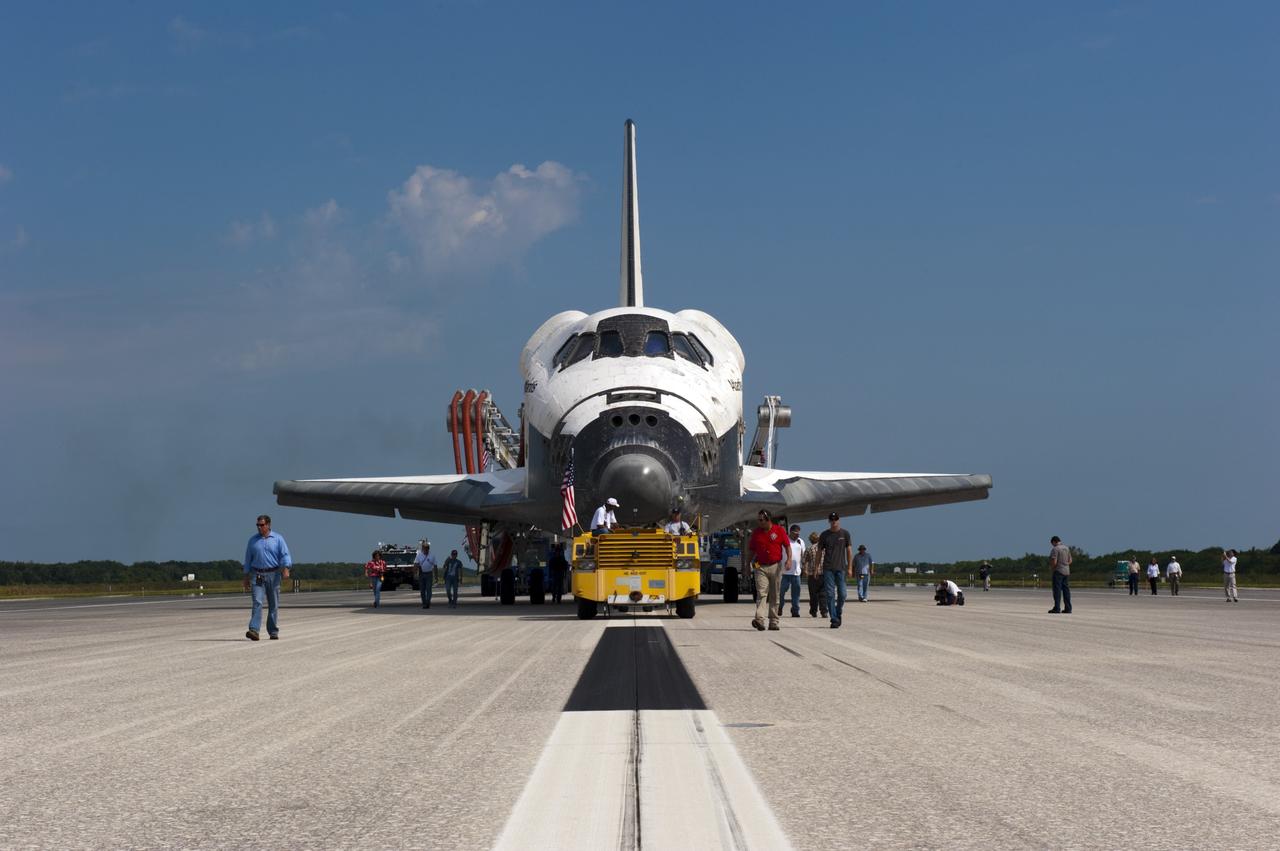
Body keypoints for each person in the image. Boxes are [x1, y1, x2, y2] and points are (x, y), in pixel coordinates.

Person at [242, 514, 291, 641]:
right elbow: (248, 559)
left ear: (268, 525)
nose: (259, 527)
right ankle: (254, 630)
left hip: (273, 574)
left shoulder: (278, 539)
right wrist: (246, 576)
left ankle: (273, 631)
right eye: (257, 525)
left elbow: (285, 555)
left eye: (262, 525)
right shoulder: (252, 540)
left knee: (273, 604)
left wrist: (286, 568)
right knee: (257, 602)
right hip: (256, 574)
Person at [746, 509, 789, 631]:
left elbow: (787, 546)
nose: (758, 522)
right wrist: (747, 565)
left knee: (775, 594)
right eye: (758, 520)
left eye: (761, 520)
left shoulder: (779, 530)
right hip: (759, 566)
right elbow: (751, 550)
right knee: (761, 593)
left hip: (776, 565)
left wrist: (789, 559)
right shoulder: (756, 533)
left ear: (768, 519)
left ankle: (774, 622)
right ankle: (759, 620)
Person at [816, 512, 853, 629]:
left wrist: (850, 567)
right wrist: (817, 567)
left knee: (842, 594)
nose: (834, 521)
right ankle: (834, 619)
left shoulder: (845, 534)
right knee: (830, 594)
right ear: (829, 521)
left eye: (836, 519)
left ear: (839, 520)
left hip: (841, 568)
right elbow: (819, 552)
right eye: (832, 520)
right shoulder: (824, 535)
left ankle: (838, 611)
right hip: (828, 569)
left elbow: (849, 551)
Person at [777, 524, 804, 618]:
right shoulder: (785, 541)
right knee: (781, 592)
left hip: (796, 573)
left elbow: (803, 555)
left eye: (798, 533)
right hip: (785, 573)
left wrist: (804, 567)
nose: (797, 535)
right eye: (795, 533)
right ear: (791, 532)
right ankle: (779, 607)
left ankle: (795, 611)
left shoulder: (801, 542)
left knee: (796, 594)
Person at [804, 532, 827, 618]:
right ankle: (824, 611)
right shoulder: (825, 548)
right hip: (823, 573)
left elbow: (804, 560)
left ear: (810, 540)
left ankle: (813, 611)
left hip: (812, 574)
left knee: (813, 594)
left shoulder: (809, 548)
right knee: (823, 593)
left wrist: (805, 570)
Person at [1047, 535, 1072, 614]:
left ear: (1054, 542)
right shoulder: (1066, 548)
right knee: (1066, 590)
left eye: (1052, 543)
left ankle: (1057, 608)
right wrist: (1065, 564)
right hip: (1066, 571)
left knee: (1057, 591)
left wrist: (1053, 568)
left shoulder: (1055, 549)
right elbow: (1070, 560)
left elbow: (1054, 561)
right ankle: (1068, 608)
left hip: (1058, 571)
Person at [415, 540, 438, 609]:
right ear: (422, 548)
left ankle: (428, 602)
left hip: (429, 574)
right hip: (421, 574)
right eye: (424, 548)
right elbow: (416, 564)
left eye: (427, 548)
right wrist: (415, 573)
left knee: (428, 589)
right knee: (422, 590)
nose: (425, 549)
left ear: (428, 548)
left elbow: (435, 566)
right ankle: (424, 603)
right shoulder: (419, 555)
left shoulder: (432, 555)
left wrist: (436, 576)